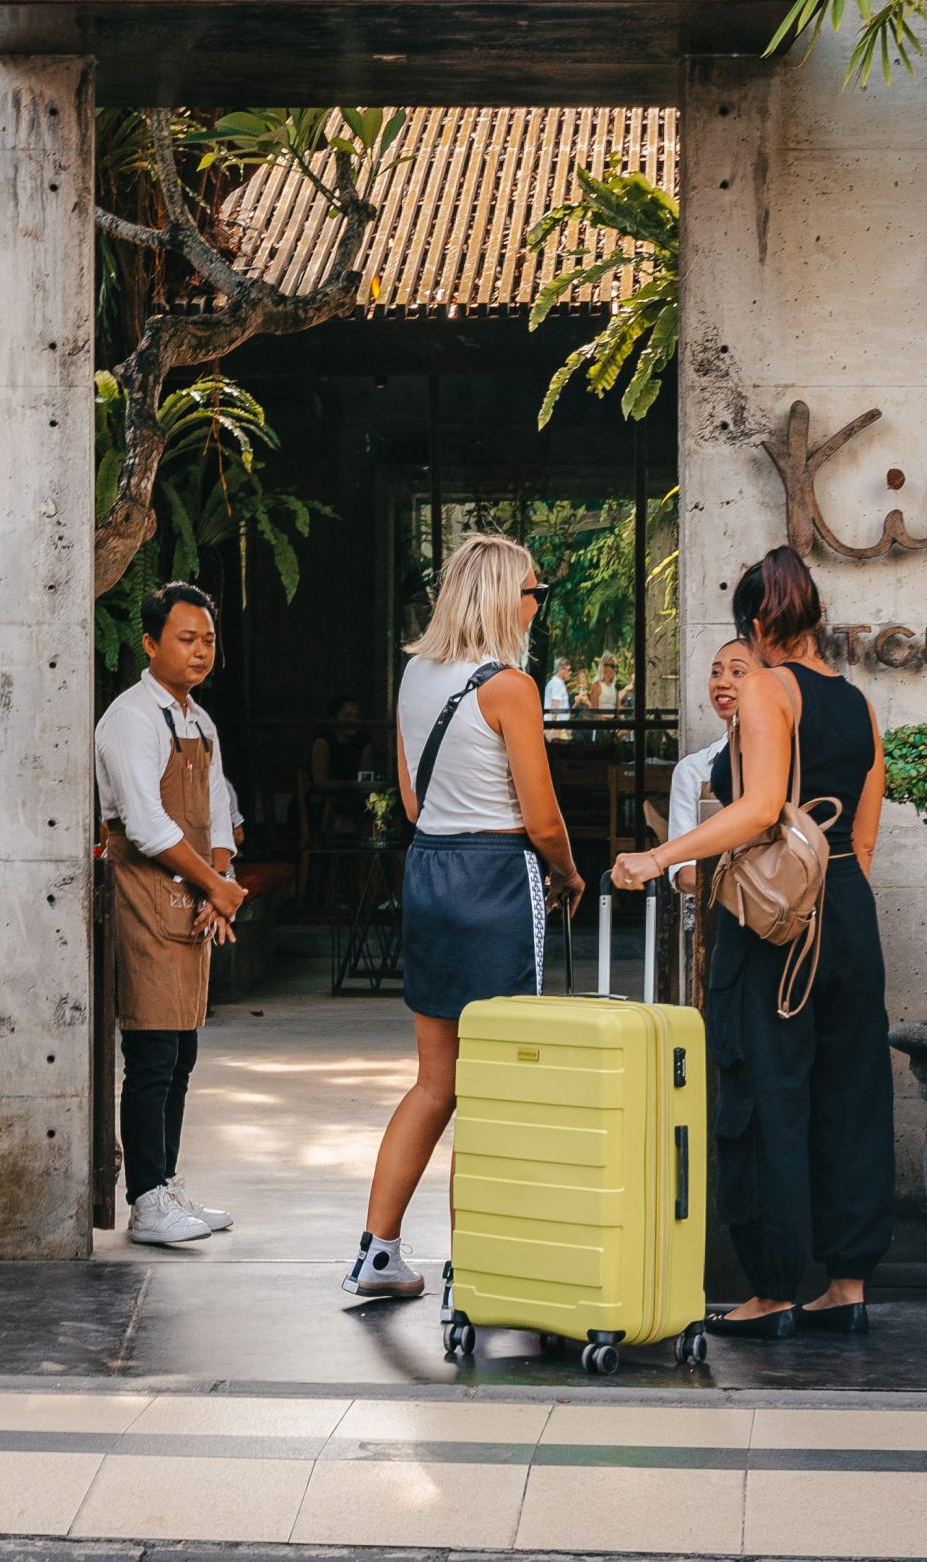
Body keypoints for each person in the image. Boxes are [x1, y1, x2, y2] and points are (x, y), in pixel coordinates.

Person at [610, 545, 892, 1340]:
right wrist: (829, 895)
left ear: (764, 622)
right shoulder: (858, 702)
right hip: (846, 908)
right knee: (852, 1092)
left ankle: (772, 1288)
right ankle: (847, 1280)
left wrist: (662, 853)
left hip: (776, 929)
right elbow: (864, 837)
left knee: (767, 1090)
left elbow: (764, 805)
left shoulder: (770, 688)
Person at [346, 534, 582, 1298]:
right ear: (502, 598)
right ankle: (476, 1268)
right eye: (532, 591)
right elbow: (543, 819)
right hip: (495, 880)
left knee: (435, 1081)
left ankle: (377, 1251)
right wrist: (570, 873)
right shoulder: (510, 685)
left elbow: (414, 802)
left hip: (431, 872)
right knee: (495, 1085)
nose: (537, 605)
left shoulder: (415, 675)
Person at [95, 582, 242, 1248]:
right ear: (150, 643)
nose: (199, 651)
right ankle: (146, 1199)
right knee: (151, 1051)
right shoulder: (131, 718)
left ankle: (169, 1181)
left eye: (207, 639)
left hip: (191, 898)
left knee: (182, 1049)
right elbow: (149, 827)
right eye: (185, 639)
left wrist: (221, 876)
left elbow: (220, 806)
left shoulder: (199, 721)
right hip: (145, 896)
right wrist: (214, 883)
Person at [666, 638, 756, 895]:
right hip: (719, 917)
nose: (722, 682)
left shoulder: (789, 763)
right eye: (715, 672)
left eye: (737, 672)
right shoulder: (693, 770)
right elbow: (684, 872)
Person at [310, 694, 372, 787]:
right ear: (334, 719)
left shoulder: (364, 740)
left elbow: (365, 780)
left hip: (355, 798)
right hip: (322, 798)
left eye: (357, 716)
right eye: (347, 716)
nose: (353, 721)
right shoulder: (323, 741)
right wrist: (350, 786)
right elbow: (320, 782)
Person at [543, 659, 574, 740]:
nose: (570, 673)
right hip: (556, 727)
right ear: (562, 669)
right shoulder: (557, 684)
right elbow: (554, 707)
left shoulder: (557, 683)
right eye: (569, 670)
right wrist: (554, 728)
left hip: (558, 726)